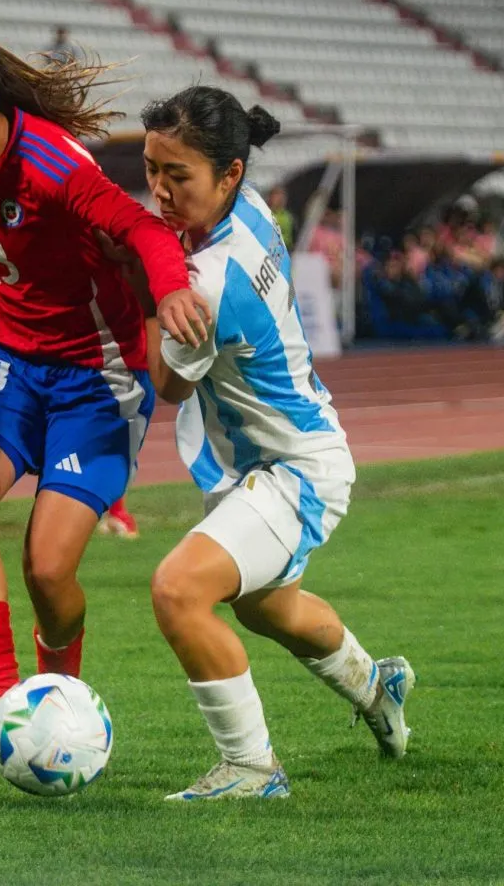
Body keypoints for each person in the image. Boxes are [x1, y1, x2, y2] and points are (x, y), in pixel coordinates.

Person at [0, 18, 208, 766]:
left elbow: (142, 229)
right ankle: (4, 703)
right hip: (5, 353)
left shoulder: (52, 165)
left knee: (47, 569)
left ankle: (55, 702)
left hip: (95, 372)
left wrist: (167, 294)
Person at [117, 85, 414, 800]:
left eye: (175, 175)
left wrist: (140, 282)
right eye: (151, 167)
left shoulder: (208, 284)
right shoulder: (247, 210)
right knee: (265, 608)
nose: (157, 190)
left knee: (177, 589)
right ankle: (378, 686)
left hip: (294, 471)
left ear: (229, 175)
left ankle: (251, 768)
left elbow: (169, 385)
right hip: (281, 455)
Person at [266, 184, 295, 252]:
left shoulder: (286, 217)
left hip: (275, 250)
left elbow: (288, 240)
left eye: (281, 196)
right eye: (276, 195)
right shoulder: (264, 210)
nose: (279, 198)